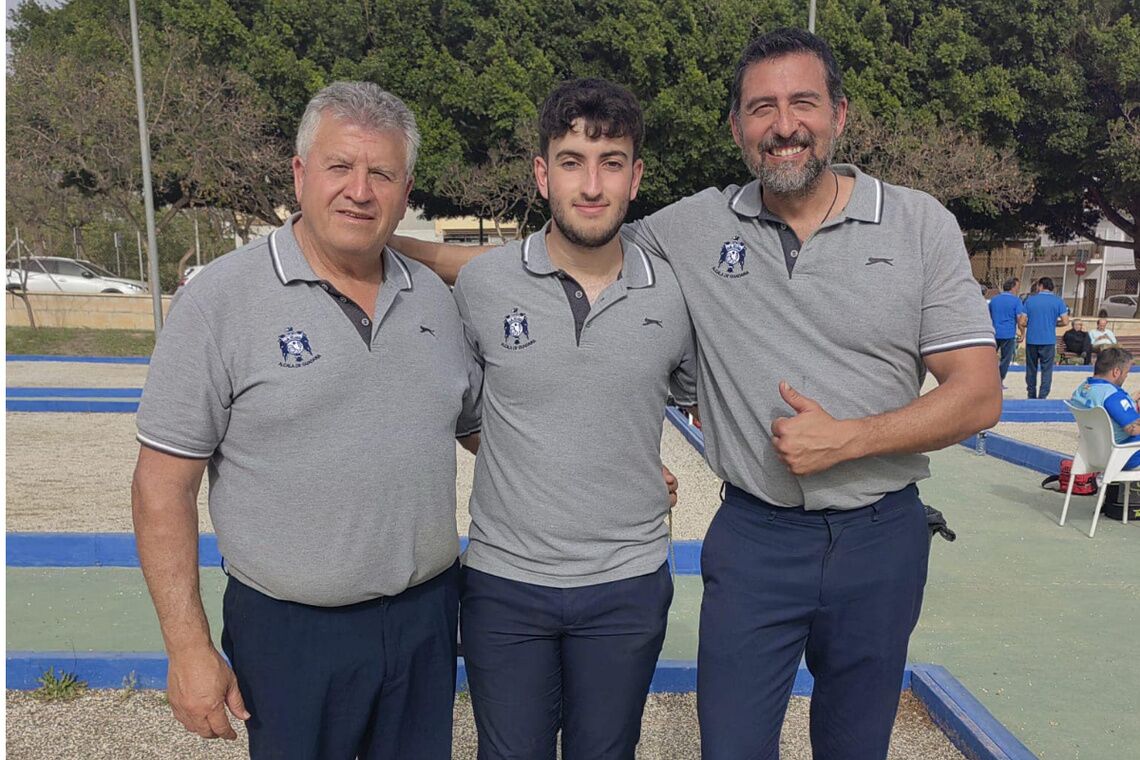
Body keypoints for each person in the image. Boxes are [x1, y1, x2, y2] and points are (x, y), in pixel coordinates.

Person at [394, 28, 1001, 760]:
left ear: (840, 114)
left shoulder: (918, 223)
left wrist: (854, 437)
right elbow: (564, 246)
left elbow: (976, 396)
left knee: (855, 744)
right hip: (757, 539)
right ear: (738, 127)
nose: (784, 126)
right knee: (733, 746)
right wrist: (373, 241)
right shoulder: (692, 227)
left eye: (803, 103)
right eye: (762, 108)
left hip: (882, 537)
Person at [131, 82, 483, 760]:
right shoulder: (221, 302)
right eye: (339, 167)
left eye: (381, 173)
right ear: (299, 173)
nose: (360, 190)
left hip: (426, 620)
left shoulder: (437, 304)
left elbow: (479, 430)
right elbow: (161, 485)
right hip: (288, 634)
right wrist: (188, 648)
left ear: (406, 190)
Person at [453, 79, 696, 760]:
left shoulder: (674, 294)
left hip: (626, 583)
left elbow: (702, 402)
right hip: (506, 586)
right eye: (571, 161)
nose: (591, 185)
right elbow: (467, 416)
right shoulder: (482, 286)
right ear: (542, 173)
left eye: (611, 162)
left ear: (635, 176)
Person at [1070, 347, 1140, 469]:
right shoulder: (1113, 396)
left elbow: (1105, 406)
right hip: (1123, 455)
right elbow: (1133, 429)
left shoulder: (1082, 389)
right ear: (1116, 372)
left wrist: (1130, 400)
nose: (1126, 376)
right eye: (1126, 373)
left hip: (1094, 454)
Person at [1024, 276, 1070, 398]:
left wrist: (1031, 323)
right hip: (1048, 340)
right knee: (1047, 370)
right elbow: (1065, 321)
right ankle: (1043, 395)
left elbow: (1023, 321)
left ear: (1040, 286)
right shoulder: (1058, 301)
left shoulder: (1030, 300)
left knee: (1031, 368)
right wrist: (1054, 323)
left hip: (1032, 339)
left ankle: (1031, 394)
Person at [988, 276, 1027, 382]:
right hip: (1008, 333)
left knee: (990, 357)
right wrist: (1022, 333)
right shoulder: (1016, 301)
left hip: (994, 332)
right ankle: (999, 379)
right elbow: (1019, 319)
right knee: (1006, 359)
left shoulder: (994, 300)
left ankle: (988, 377)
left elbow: (988, 316)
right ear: (1013, 287)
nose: (1018, 289)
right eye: (1017, 287)